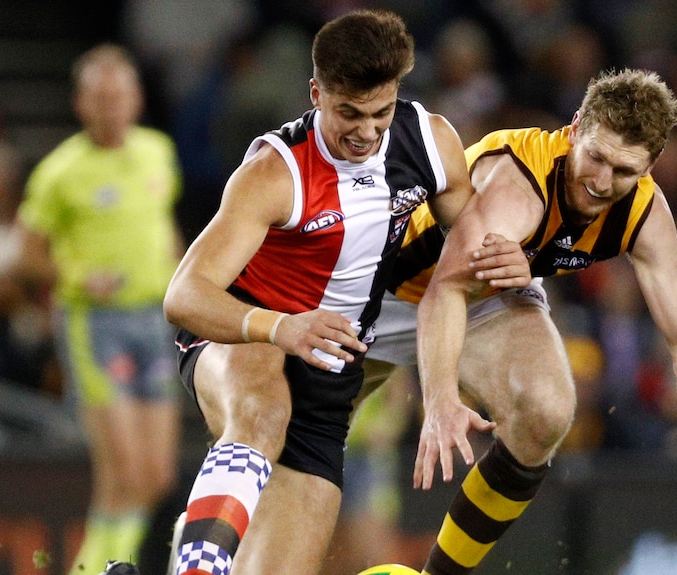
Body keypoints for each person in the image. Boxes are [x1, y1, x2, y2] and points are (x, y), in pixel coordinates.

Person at [161, 10, 530, 575]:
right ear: (316, 93)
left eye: (380, 113)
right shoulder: (274, 172)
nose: (365, 131)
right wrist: (282, 326)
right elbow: (184, 296)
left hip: (331, 374)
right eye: (348, 113)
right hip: (245, 336)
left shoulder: (431, 145)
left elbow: (469, 248)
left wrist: (512, 258)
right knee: (262, 408)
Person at [365, 68, 677, 574]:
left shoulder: (645, 215)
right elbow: (443, 290)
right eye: (596, 157)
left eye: (624, 171)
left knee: (546, 411)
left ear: (652, 165)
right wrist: (442, 400)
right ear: (576, 126)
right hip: (380, 291)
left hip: (482, 294)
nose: (602, 183)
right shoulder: (521, 183)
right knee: (283, 441)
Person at [14, 44, 183, 575]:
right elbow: (26, 255)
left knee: (154, 475)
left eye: (120, 95)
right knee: (125, 471)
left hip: (153, 319)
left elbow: (165, 226)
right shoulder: (60, 172)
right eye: (100, 97)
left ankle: (103, 565)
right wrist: (80, 278)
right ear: (81, 103)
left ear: (136, 99)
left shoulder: (158, 151)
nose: (111, 106)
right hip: (96, 324)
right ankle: (101, 568)